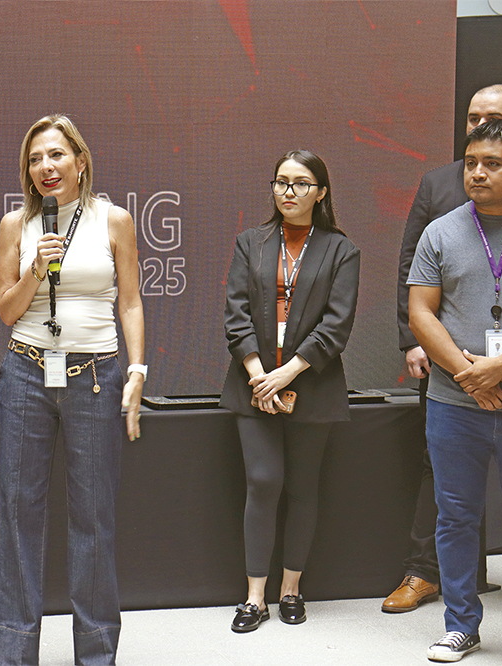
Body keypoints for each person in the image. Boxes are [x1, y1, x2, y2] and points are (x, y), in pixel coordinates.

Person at [0, 114, 145, 666]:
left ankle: (96, 655)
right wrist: (35, 269)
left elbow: (130, 301)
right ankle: (12, 655)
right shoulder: (16, 224)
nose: (46, 167)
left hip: (96, 376)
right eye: (35, 159)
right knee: (18, 515)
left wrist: (137, 369)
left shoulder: (114, 220)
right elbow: (7, 311)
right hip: (26, 373)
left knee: (93, 519)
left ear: (80, 160)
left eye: (56, 155)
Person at [389, 84, 502, 613]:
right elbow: (419, 303)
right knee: (453, 510)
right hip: (453, 391)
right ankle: (454, 612)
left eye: (491, 163)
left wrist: (499, 366)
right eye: (471, 162)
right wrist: (466, 372)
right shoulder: (441, 218)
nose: (477, 172)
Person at [221, 150, 360, 633]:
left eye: (301, 183)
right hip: (253, 384)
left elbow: (336, 325)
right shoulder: (251, 242)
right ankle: (254, 597)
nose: (288, 192)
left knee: (303, 487)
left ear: (321, 192)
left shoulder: (341, 250)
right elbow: (236, 314)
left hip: (311, 384)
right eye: (281, 182)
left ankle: (291, 590)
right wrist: (260, 375)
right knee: (263, 481)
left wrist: (287, 375)